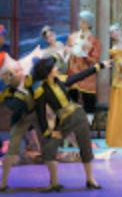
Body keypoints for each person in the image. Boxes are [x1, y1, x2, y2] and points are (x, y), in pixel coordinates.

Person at [32, 56, 111, 191]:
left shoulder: (62, 80)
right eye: (54, 67)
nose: (57, 68)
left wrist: (100, 66)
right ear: (48, 72)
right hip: (64, 121)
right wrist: (48, 132)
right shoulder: (40, 91)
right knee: (49, 149)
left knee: (85, 148)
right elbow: (41, 115)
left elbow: (81, 75)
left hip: (78, 116)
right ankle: (54, 183)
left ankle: (90, 179)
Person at [0, 60, 40, 191]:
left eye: (20, 69)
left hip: (35, 117)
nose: (21, 72)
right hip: (18, 122)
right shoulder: (8, 92)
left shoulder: (30, 81)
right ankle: (3, 183)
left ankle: (54, 181)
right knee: (12, 151)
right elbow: (14, 106)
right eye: (17, 71)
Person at [66, 11, 102, 127]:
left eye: (84, 21)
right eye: (80, 21)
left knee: (89, 102)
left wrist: (85, 54)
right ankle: (71, 129)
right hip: (73, 74)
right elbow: (67, 53)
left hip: (87, 76)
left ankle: (86, 128)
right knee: (71, 102)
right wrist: (68, 52)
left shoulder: (94, 41)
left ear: (89, 24)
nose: (81, 23)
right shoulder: (72, 37)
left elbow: (95, 60)